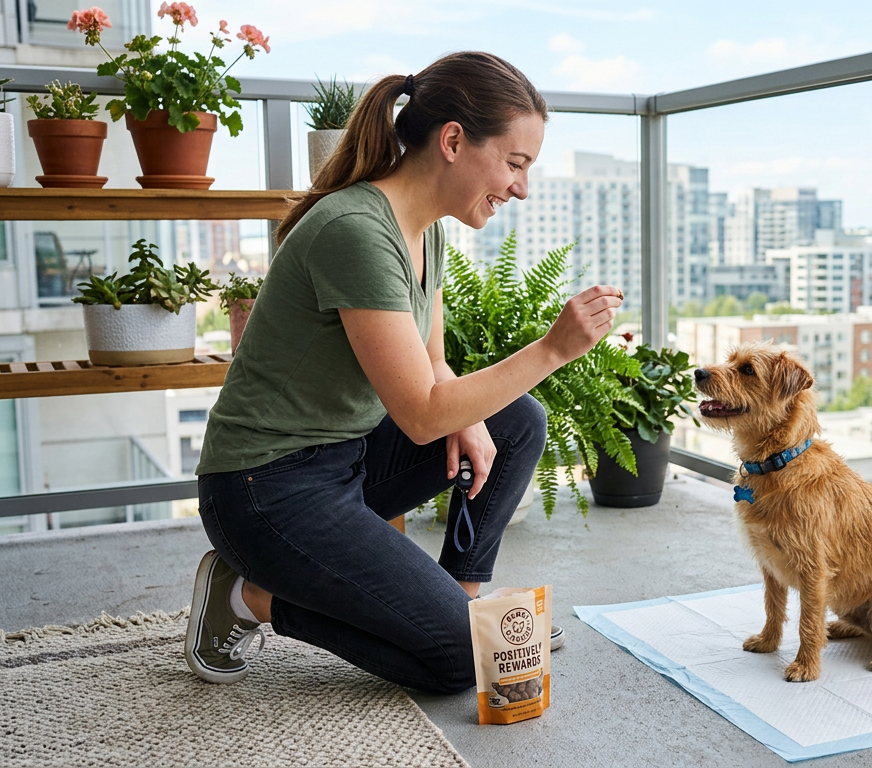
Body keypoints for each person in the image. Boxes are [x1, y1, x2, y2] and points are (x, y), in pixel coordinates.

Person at [187, 51, 622, 694]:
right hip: (265, 490)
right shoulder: (356, 231)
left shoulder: (426, 230)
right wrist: (553, 349)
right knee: (458, 662)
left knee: (518, 420)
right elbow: (419, 414)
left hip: (347, 460)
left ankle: (459, 596)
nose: (521, 188)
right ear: (453, 140)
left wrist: (472, 415)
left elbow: (434, 362)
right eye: (515, 163)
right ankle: (249, 597)